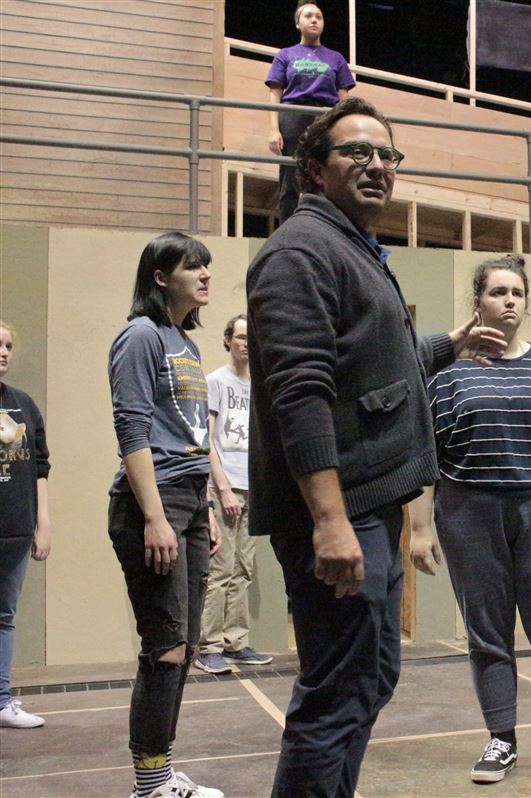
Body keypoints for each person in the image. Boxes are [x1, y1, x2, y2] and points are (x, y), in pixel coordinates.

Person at [246, 96, 507, 797]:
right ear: (312, 168)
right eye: (357, 152)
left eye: (387, 155)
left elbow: (374, 367)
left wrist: (448, 346)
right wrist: (330, 521)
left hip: (372, 509)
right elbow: (299, 394)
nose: (377, 165)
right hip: (341, 514)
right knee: (335, 693)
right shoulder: (300, 252)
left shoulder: (349, 247)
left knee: (369, 676)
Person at [409, 255, 531, 785]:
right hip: (469, 513)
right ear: (478, 304)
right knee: (488, 635)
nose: (509, 300)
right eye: (498, 292)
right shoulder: (448, 375)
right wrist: (420, 527)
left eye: (517, 292)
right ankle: (501, 739)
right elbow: (424, 458)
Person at [107, 233, 223, 798]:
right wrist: (156, 517)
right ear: (160, 276)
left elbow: (192, 437)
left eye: (207, 266)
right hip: (149, 504)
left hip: (188, 500)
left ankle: (161, 767)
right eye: (192, 266)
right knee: (166, 644)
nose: (205, 274)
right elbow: (131, 429)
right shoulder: (141, 337)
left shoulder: (186, 343)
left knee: (187, 645)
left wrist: (204, 509)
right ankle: (149, 784)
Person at [193, 315, 272, 675]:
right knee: (220, 569)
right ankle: (208, 646)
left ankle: (235, 642)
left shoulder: (260, 386)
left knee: (244, 570)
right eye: (240, 337)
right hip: (224, 486)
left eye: (250, 338)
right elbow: (206, 441)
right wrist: (222, 488)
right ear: (227, 341)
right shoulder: (215, 382)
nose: (245, 343)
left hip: (252, 486)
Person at [0, 321, 52, 730]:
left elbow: (40, 467)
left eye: (8, 346)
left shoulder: (23, 404)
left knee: (4, 615)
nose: (3, 353)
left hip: (16, 529)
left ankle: (1, 700)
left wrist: (42, 523)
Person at [266, 1, 355, 223]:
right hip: (293, 114)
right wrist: (273, 130)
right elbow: (275, 93)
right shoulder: (286, 55)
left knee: (328, 170)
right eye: (308, 16)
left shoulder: (335, 58)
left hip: (326, 116)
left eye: (318, 16)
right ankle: (288, 228)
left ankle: (327, 226)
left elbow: (344, 98)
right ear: (298, 23)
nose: (314, 20)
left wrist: (347, 128)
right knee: (291, 174)